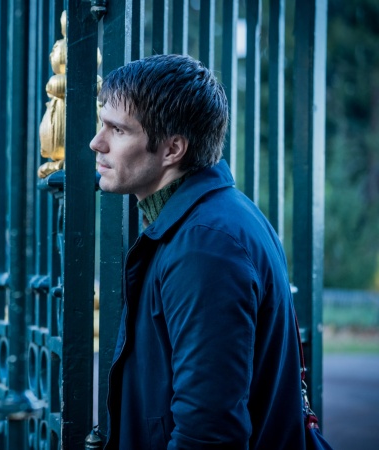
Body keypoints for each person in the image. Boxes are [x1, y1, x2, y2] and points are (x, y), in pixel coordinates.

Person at [90, 54, 304, 449]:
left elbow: (208, 433)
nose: (96, 143)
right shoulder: (212, 220)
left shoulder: (206, 245)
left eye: (117, 130)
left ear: (172, 149)